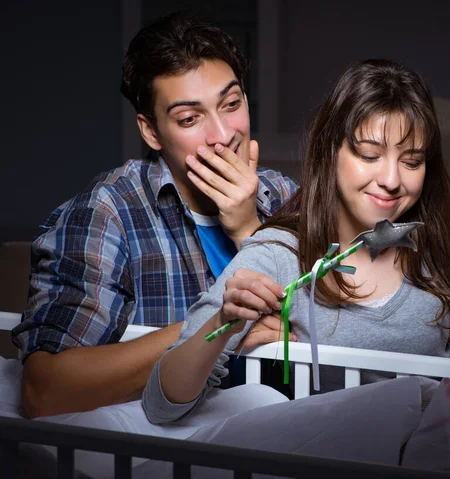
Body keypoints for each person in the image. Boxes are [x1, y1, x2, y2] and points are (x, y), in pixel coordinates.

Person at [142, 58, 450, 423]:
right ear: (330, 151)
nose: (392, 179)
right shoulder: (278, 255)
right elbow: (162, 404)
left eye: (411, 162)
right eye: (369, 155)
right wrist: (225, 321)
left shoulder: (441, 247)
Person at [12, 11, 297, 419]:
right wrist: (215, 327)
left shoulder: (285, 195)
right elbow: (45, 391)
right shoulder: (110, 212)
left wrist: (248, 228)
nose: (222, 134)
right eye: (189, 118)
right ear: (151, 131)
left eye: (231, 104)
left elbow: (340, 330)